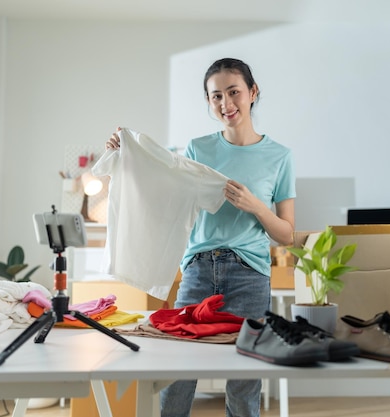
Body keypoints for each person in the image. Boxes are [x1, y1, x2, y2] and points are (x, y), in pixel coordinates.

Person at [105, 57, 296, 417]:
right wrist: (126, 154)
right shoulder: (198, 148)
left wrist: (256, 206)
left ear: (253, 93)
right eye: (216, 96)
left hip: (250, 274)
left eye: (234, 92)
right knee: (177, 375)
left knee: (243, 381)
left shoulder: (280, 157)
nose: (226, 104)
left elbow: (286, 234)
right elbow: (162, 187)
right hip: (197, 269)